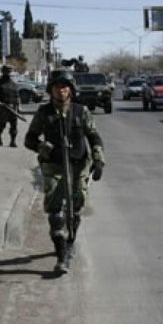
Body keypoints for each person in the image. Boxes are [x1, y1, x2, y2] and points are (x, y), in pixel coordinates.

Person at [24, 70, 104, 275]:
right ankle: (61, 255)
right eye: (57, 87)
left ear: (71, 90)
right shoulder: (44, 112)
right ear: (51, 89)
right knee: (56, 211)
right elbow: (30, 139)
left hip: (78, 164)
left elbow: (94, 136)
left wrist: (98, 159)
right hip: (54, 166)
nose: (61, 91)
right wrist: (44, 147)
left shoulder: (81, 111)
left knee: (77, 206)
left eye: (65, 87)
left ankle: (70, 241)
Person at [0, 64, 21, 147]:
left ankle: (13, 141)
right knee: (2, 124)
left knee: (14, 125)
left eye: (9, 72)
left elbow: (17, 96)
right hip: (3, 108)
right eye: (6, 71)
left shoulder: (13, 83)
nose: (8, 73)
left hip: (13, 107)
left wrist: (18, 107)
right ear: (3, 72)